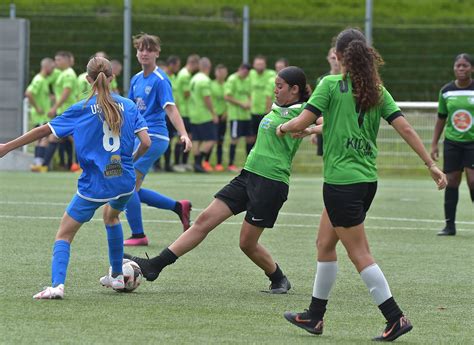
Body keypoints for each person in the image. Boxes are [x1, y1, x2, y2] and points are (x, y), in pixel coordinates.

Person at [277, 28, 447, 342]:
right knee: (325, 245)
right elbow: (406, 128)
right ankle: (314, 315)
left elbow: (301, 121)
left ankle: (395, 318)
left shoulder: (330, 85)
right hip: (366, 182)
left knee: (360, 254)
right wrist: (431, 164)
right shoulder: (377, 90)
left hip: (342, 183)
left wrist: (284, 127)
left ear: (339, 56)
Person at [125, 66, 313, 294]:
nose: (275, 90)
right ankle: (155, 265)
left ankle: (278, 278)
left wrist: (313, 131)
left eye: (280, 87)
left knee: (247, 244)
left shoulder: (304, 111)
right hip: (248, 176)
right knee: (204, 220)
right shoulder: (277, 108)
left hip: (271, 184)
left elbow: (332, 121)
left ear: (294, 90)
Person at [0, 56, 151, 299]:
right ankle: (116, 276)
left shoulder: (81, 109)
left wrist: (8, 146)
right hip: (124, 182)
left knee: (64, 234)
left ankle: (57, 286)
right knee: (112, 218)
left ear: (88, 79)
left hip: (94, 185)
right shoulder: (130, 106)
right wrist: (130, 161)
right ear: (112, 78)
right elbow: (146, 142)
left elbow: (44, 130)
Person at [124, 33, 192, 247]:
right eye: (141, 49)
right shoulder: (135, 79)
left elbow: (170, 108)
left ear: (157, 53)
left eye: (149, 49)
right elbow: (130, 110)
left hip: (154, 136)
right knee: (131, 186)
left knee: (127, 185)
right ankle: (178, 207)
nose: (144, 53)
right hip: (139, 136)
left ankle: (138, 235)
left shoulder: (160, 80)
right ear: (136, 52)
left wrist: (183, 133)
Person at [431, 53, 474, 236]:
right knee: (452, 182)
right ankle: (450, 225)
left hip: (472, 143)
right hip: (452, 143)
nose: (461, 69)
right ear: (454, 68)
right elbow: (441, 118)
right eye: (458, 66)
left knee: (473, 181)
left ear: (472, 68)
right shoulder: (446, 91)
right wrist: (434, 144)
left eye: (465, 65)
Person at [33, 51, 78, 172]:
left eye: (58, 60)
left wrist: (54, 107)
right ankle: (45, 165)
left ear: (66, 60)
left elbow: (66, 92)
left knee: (55, 137)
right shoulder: (61, 73)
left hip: (67, 111)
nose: (55, 62)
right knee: (57, 138)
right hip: (64, 111)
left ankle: (45, 165)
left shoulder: (69, 74)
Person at [188, 57, 218, 173]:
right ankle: (198, 162)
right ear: (209, 67)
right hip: (204, 114)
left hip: (194, 113)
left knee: (197, 139)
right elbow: (207, 98)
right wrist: (213, 113)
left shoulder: (194, 78)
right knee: (211, 139)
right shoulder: (205, 80)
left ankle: (196, 164)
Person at [25, 57, 55, 168]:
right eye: (52, 67)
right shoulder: (39, 79)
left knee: (40, 139)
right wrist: (37, 107)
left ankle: (36, 163)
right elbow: (28, 93)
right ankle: (39, 164)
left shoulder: (44, 80)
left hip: (42, 116)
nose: (53, 70)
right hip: (40, 116)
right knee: (45, 138)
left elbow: (41, 95)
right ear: (46, 67)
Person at [312, 47, 341, 156]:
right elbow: (316, 106)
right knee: (326, 157)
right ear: (328, 59)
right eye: (333, 58)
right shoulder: (322, 80)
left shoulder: (348, 79)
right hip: (325, 123)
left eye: (337, 58)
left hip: (341, 124)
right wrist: (313, 131)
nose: (335, 61)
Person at [174, 54, 200, 171]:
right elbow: (186, 93)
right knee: (184, 137)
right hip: (184, 111)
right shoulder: (185, 75)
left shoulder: (184, 73)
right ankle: (178, 163)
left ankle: (183, 162)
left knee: (187, 137)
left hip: (186, 111)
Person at [224, 63, 252, 172]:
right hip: (236, 116)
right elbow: (227, 96)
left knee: (250, 139)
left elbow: (250, 94)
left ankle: (248, 165)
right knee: (234, 139)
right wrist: (242, 104)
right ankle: (231, 164)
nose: (245, 73)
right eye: (243, 71)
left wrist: (249, 102)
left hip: (246, 115)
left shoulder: (248, 80)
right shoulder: (232, 79)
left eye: (247, 72)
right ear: (239, 69)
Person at [248, 55, 276, 150]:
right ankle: (249, 158)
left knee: (264, 137)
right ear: (253, 65)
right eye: (257, 64)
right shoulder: (250, 74)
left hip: (266, 112)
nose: (259, 66)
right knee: (251, 137)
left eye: (261, 64)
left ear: (265, 65)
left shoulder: (271, 74)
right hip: (252, 111)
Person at [161, 55, 183, 172]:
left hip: (173, 113)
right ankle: (159, 164)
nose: (178, 68)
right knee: (164, 138)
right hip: (164, 113)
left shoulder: (174, 77)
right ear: (172, 65)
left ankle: (168, 164)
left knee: (171, 139)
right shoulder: (162, 77)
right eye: (177, 65)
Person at [207, 63, 228, 171]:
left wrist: (226, 113)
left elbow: (228, 100)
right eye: (219, 72)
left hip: (223, 116)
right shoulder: (211, 84)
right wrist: (213, 113)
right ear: (215, 73)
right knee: (211, 139)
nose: (221, 74)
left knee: (221, 140)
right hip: (213, 116)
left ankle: (219, 163)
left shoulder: (227, 85)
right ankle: (206, 162)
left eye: (223, 72)